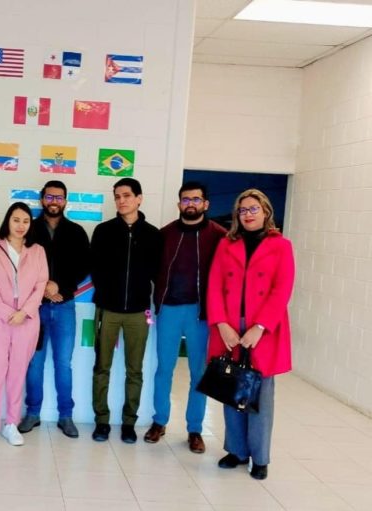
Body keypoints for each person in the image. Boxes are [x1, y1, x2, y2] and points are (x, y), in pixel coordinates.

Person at [207, 189, 295, 480]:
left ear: (266, 211)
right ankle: (236, 450)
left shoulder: (281, 246)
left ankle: (260, 458)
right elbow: (214, 285)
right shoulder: (226, 244)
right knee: (231, 389)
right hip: (230, 326)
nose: (248, 214)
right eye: (243, 210)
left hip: (263, 328)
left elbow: (282, 289)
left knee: (261, 396)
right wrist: (221, 323)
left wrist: (260, 327)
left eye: (253, 208)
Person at [145, 182, 226, 453]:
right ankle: (159, 421)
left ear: (206, 204)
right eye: (185, 200)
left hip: (200, 313)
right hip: (169, 309)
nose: (190, 204)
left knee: (198, 373)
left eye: (196, 199)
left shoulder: (220, 236)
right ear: (179, 203)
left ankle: (195, 429)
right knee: (164, 369)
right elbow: (153, 270)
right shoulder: (165, 234)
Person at [90, 177, 161, 443]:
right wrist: (107, 293)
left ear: (139, 199)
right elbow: (96, 268)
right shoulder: (103, 231)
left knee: (135, 370)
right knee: (101, 368)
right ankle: (102, 421)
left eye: (127, 195)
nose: (121, 201)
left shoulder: (153, 234)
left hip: (138, 313)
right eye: (117, 196)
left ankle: (129, 422)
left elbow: (156, 272)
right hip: (108, 310)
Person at [19, 181, 90, 438]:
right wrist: (43, 287)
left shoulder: (76, 232)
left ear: (65, 201)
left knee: (63, 363)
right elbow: (20, 263)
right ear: (42, 199)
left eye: (59, 197)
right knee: (34, 363)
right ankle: (32, 413)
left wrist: (60, 285)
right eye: (49, 196)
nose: (54, 201)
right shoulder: (29, 228)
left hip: (64, 306)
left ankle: (66, 416)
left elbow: (83, 266)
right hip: (34, 307)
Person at [0, 202, 48, 451]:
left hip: (27, 321)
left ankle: (11, 424)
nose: (20, 225)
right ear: (8, 221)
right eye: (16, 220)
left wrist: (24, 312)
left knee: (18, 373)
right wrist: (9, 313)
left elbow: (41, 285)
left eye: (25, 221)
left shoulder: (37, 251)